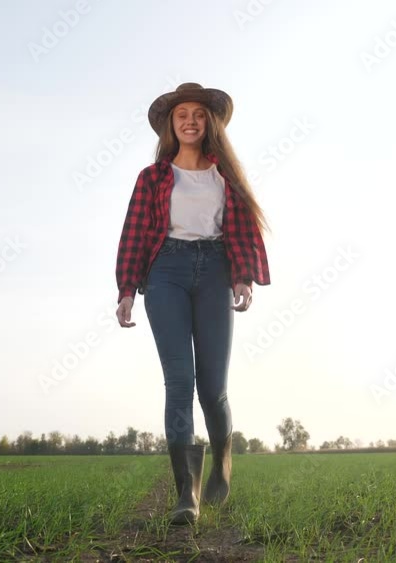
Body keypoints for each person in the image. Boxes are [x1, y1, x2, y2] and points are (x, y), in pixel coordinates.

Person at [114, 82, 271, 526]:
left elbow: (243, 229)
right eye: (182, 113)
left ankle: (222, 460)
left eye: (199, 114)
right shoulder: (153, 178)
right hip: (165, 270)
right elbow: (133, 234)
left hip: (216, 269)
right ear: (171, 124)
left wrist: (243, 276)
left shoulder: (227, 177)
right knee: (179, 382)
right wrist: (127, 289)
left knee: (213, 387)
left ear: (210, 123)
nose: (190, 120)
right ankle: (187, 493)